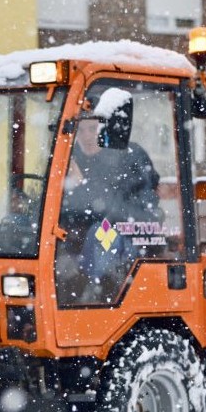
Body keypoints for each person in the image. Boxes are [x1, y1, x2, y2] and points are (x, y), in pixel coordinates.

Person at [57, 116, 162, 303]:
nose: (87, 136)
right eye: (80, 130)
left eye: (92, 129)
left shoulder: (128, 156)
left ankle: (98, 295)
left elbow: (141, 209)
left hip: (128, 235)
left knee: (101, 233)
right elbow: (62, 206)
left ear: (105, 129)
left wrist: (82, 185)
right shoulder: (69, 156)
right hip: (79, 236)